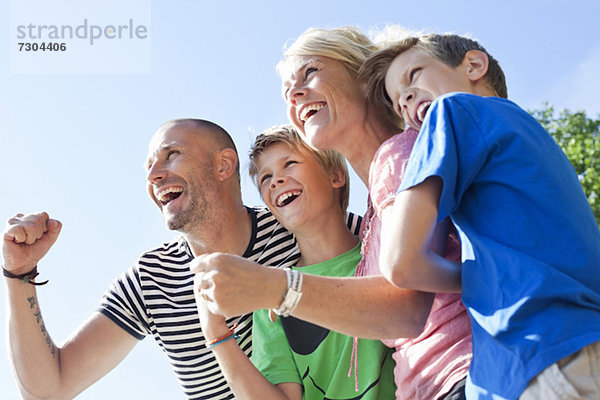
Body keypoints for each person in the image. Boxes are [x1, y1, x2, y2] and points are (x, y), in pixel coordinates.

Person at [193, 27, 472, 400]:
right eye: (287, 91)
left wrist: (274, 289)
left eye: (310, 72)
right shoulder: (376, 212)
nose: (294, 94)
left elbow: (405, 307)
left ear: (363, 73)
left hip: (467, 379)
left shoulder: (402, 156)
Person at [1, 118, 360, 400]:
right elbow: (48, 390)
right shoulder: (149, 281)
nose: (153, 174)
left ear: (223, 165)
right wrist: (18, 274)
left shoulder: (298, 222)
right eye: (149, 166)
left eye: (171, 154)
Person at [360, 33, 600, 399]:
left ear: (474, 65)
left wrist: (476, 275)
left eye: (414, 75)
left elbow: (400, 264)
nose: (406, 100)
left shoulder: (453, 111)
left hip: (540, 359)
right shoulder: (529, 132)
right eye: (396, 102)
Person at [192, 124, 396, 399]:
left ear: (335, 175)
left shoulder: (384, 253)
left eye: (289, 164)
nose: (275, 181)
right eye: (265, 178)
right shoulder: (270, 303)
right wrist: (216, 334)